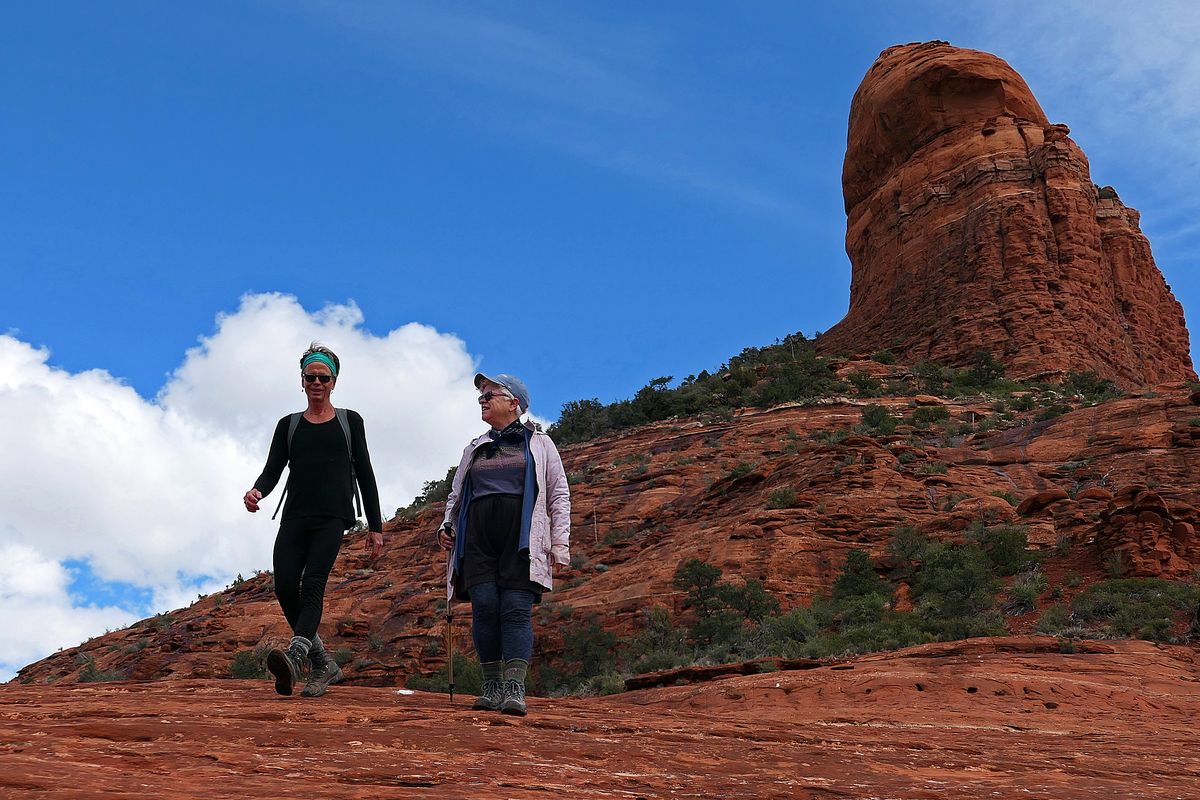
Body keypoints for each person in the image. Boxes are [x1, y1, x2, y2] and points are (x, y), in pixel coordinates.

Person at [243, 343, 384, 698]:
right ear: (302, 381)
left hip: (333, 518)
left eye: (324, 377)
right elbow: (273, 469)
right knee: (284, 586)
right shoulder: (288, 426)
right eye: (311, 377)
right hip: (294, 516)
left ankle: (296, 657)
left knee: (314, 585)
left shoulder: (350, 422)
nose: (317, 382)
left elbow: (365, 472)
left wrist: (376, 527)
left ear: (334, 382)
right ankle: (323, 664)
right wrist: (257, 491)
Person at [436, 373, 571, 716]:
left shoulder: (540, 443)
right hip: (477, 534)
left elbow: (558, 494)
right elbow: (457, 492)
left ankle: (514, 689)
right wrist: (447, 524)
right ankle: (492, 686)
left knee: (514, 608)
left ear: (514, 403)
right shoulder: (474, 446)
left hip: (522, 535)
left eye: (489, 394)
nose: (482, 400)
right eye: (481, 395)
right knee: (484, 605)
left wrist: (560, 544)